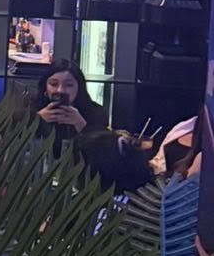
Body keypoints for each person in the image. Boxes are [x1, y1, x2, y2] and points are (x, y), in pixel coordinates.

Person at [33, 61, 155, 194]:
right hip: (38, 178)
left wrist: (82, 125)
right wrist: (37, 120)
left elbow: (104, 155)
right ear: (45, 87)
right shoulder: (33, 108)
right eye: (53, 84)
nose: (60, 90)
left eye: (68, 85)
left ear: (79, 87)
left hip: (83, 182)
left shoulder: (94, 112)